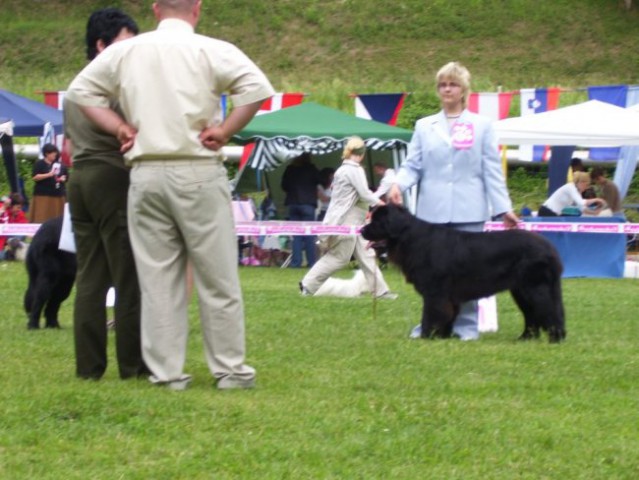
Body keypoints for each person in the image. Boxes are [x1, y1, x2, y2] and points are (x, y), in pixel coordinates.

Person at [65, 0, 274, 391]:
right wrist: (225, 130)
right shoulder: (213, 49)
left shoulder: (126, 51)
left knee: (158, 279)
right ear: (197, 8)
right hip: (196, 168)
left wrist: (120, 127)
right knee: (218, 278)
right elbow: (255, 90)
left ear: (156, 9)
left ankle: (165, 373)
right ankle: (229, 370)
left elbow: (82, 91)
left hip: (145, 174)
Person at [388, 61, 519, 341]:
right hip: (431, 213)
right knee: (430, 275)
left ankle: (466, 327)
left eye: (453, 84)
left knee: (469, 272)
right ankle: (430, 325)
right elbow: (413, 165)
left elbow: (491, 170)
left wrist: (503, 209)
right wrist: (399, 183)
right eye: (442, 84)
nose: (447, 89)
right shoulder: (424, 126)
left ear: (464, 90)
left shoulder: (481, 126)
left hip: (468, 210)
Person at [64, 8, 148, 380]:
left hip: (79, 179)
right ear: (101, 45)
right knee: (128, 276)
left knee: (91, 278)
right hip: (112, 179)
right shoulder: (114, 88)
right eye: (124, 44)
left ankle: (89, 367)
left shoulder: (73, 88)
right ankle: (133, 366)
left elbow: (68, 145)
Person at [300, 136, 396, 299]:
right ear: (362, 154)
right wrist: (382, 204)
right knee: (339, 258)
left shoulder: (342, 169)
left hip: (356, 221)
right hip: (347, 221)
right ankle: (308, 285)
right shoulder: (353, 170)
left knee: (367, 256)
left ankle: (381, 291)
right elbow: (364, 194)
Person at [281, 152, 321, 267]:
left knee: (296, 236)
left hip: (293, 204)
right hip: (308, 204)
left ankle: (296, 263)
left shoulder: (290, 169)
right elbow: (320, 180)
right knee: (309, 235)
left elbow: (284, 185)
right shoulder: (311, 168)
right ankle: (311, 263)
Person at [29, 143, 68, 223]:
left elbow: (66, 176)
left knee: (57, 217)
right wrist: (49, 174)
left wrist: (63, 179)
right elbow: (35, 177)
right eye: (53, 152)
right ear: (47, 153)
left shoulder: (61, 165)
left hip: (58, 195)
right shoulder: (39, 164)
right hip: (43, 195)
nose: (55, 154)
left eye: (55, 152)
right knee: (42, 216)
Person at [538, 171, 604, 217]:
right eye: (586, 185)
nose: (586, 188)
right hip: (547, 211)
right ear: (581, 182)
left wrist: (594, 213)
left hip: (553, 213)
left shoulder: (577, 192)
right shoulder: (570, 187)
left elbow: (582, 208)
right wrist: (597, 199)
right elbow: (581, 202)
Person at [0, 193, 28, 261]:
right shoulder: (2, 208)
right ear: (11, 206)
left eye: (21, 207)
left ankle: (13, 250)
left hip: (12, 239)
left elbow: (25, 227)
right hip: (2, 239)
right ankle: (11, 254)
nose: (19, 210)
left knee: (21, 234)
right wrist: (3, 208)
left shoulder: (20, 213)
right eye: (18, 207)